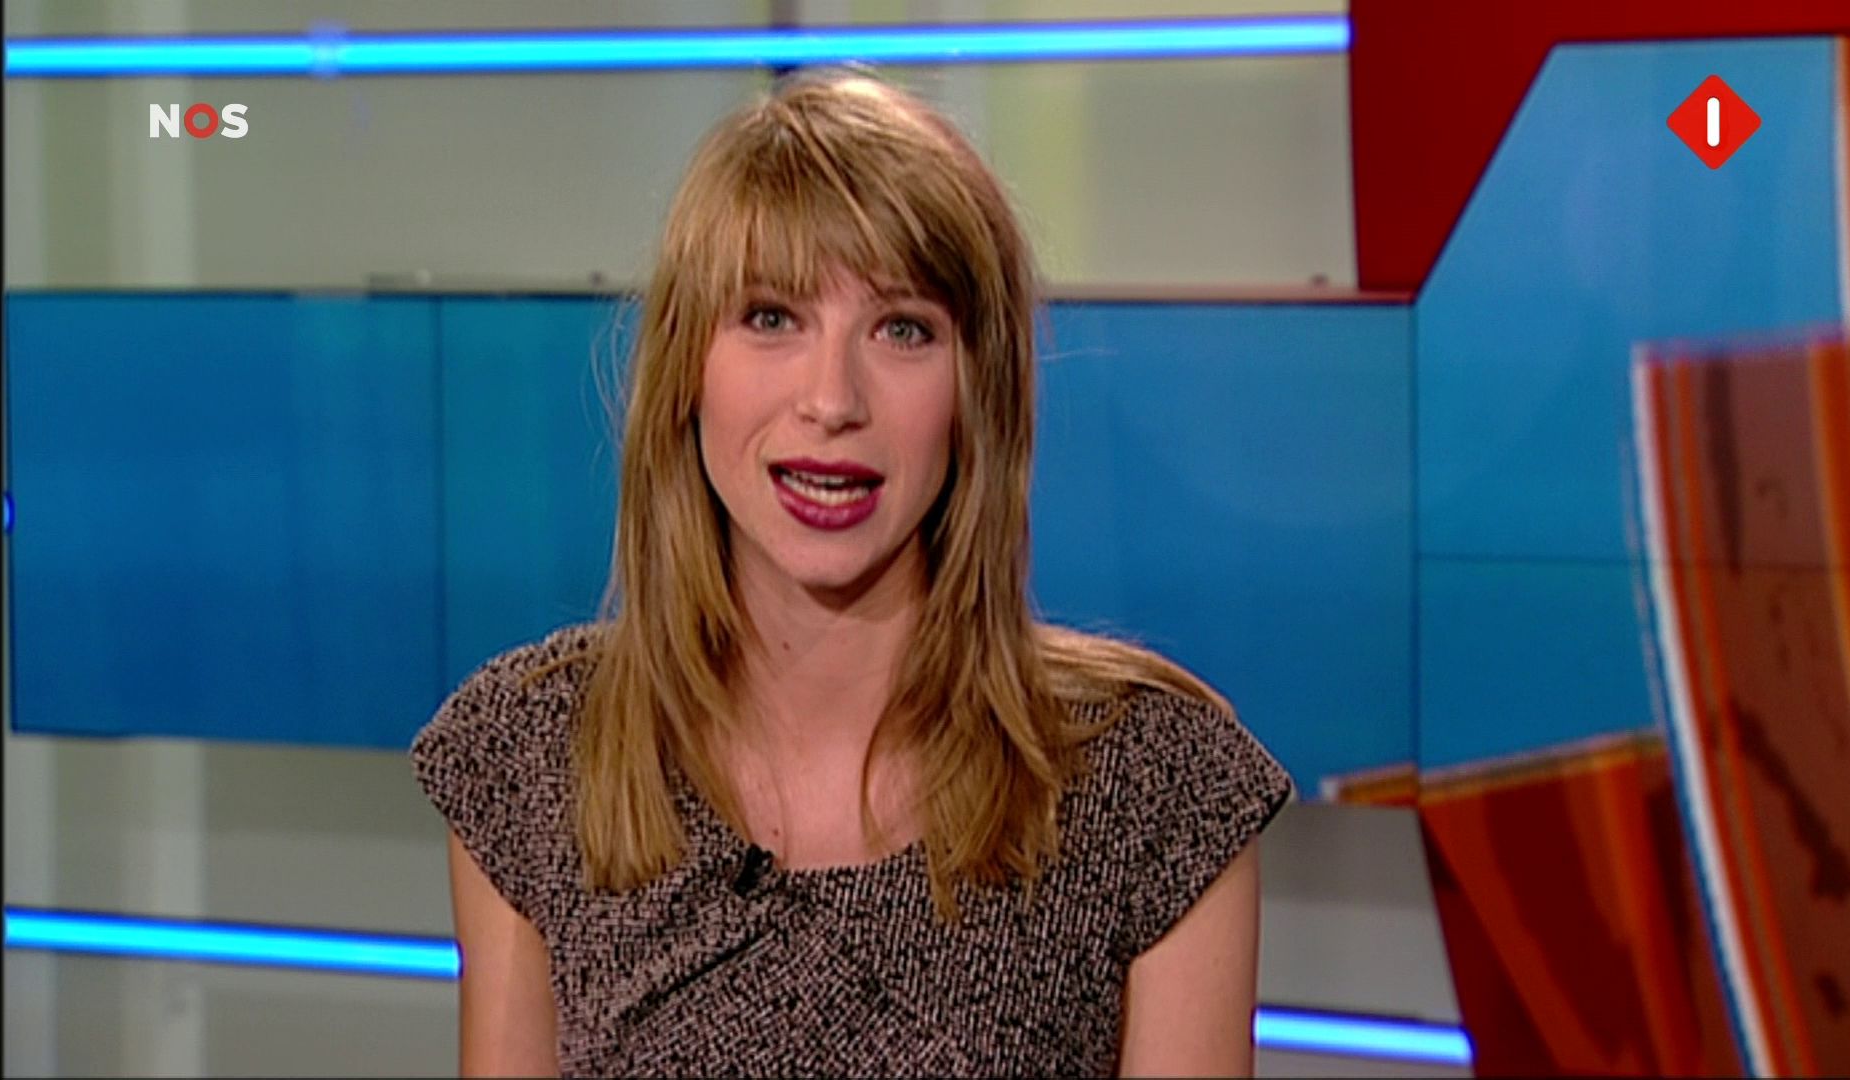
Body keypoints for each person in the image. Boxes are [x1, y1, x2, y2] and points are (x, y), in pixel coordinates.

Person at [411, 68, 1291, 1078]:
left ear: (977, 395)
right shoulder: (533, 755)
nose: (832, 400)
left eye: (902, 328)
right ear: (687, 370)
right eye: (771, 318)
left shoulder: (1157, 789)